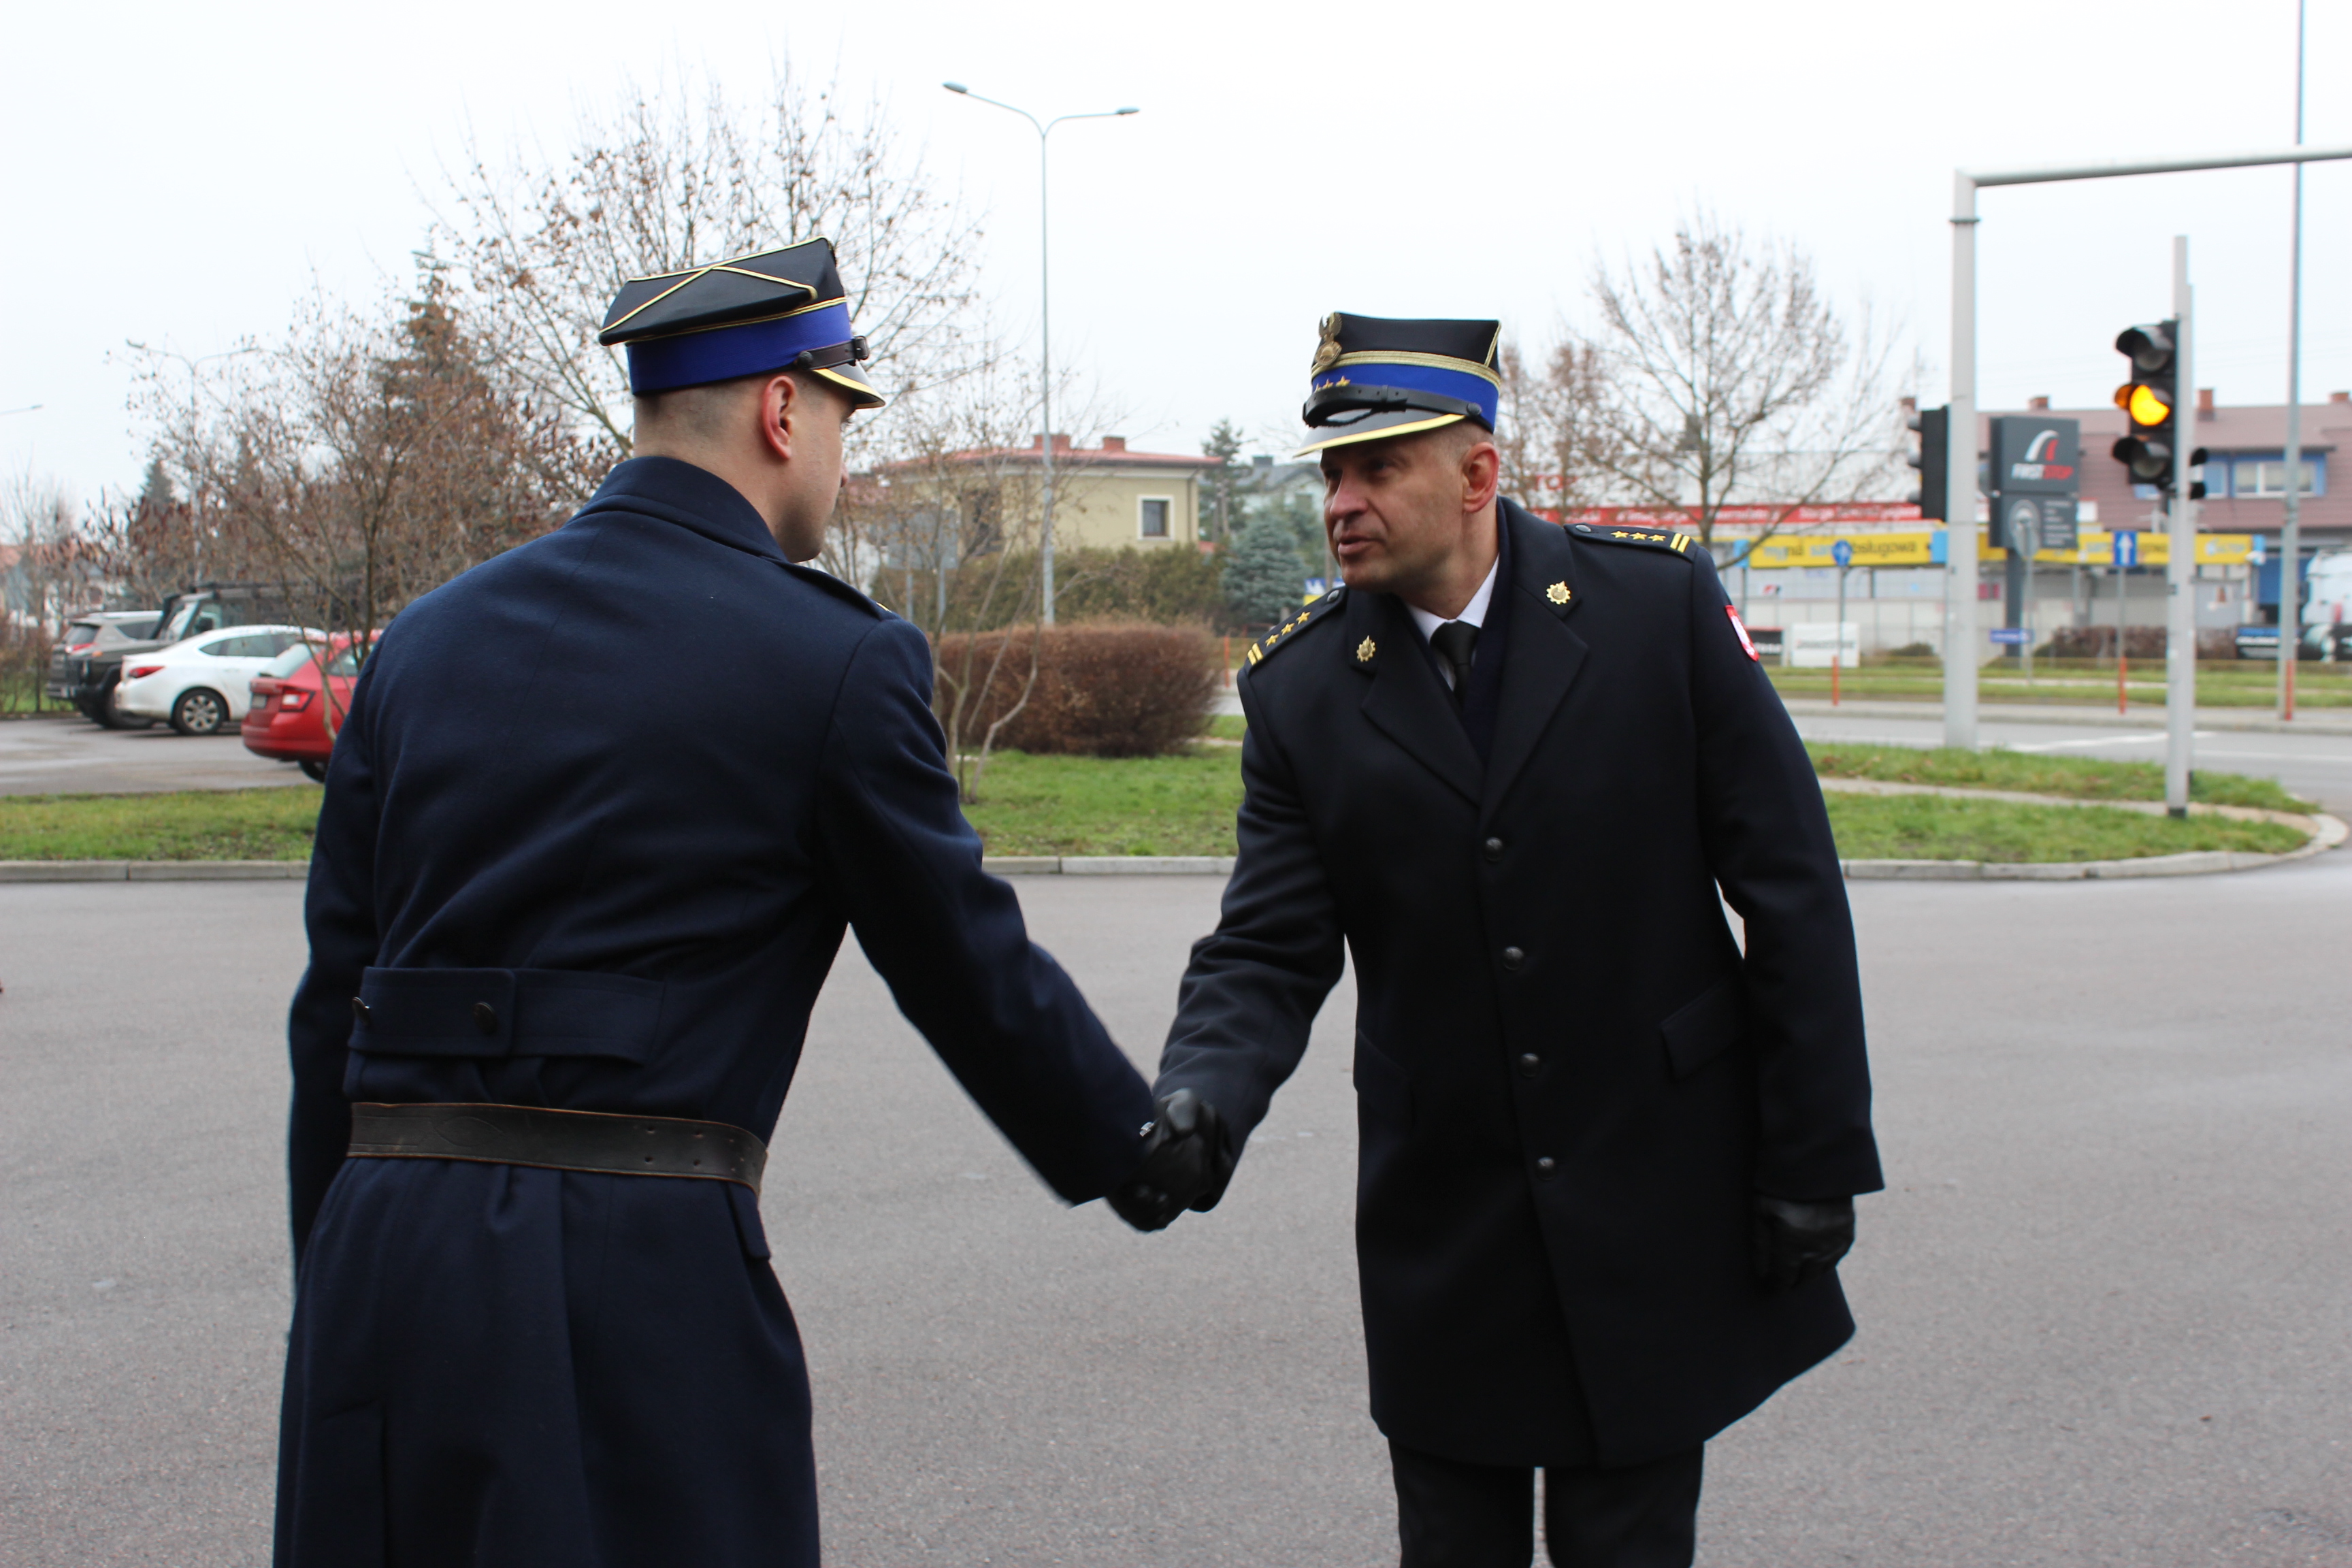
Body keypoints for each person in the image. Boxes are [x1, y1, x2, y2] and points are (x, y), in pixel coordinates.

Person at [273, 238, 1217, 1568]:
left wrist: (338, 1273)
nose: (840, 456)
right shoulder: (831, 661)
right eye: (841, 417)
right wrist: (1135, 1148)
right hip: (633, 1273)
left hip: (384, 1257)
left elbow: (335, 1004)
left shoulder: (427, 642)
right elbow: (961, 960)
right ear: (783, 411)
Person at [1151, 313, 1883, 1567]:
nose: (1341, 503)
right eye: (1332, 473)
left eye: (1377, 469)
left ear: (1477, 475)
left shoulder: (1653, 611)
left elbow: (1792, 888)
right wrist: (1199, 1096)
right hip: (1449, 1221)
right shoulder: (1302, 692)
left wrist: (1814, 1154)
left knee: (1627, 1543)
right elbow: (1267, 946)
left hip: (1653, 1192)